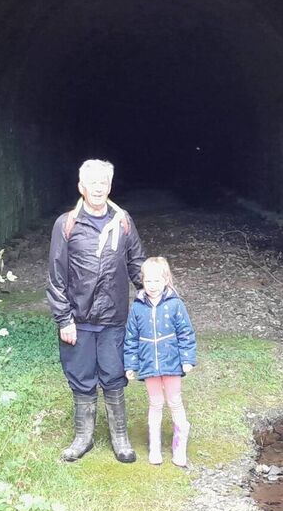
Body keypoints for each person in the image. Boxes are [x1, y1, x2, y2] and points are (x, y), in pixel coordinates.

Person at [47, 159, 145, 463]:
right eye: (93, 183)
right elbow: (56, 275)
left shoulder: (123, 221)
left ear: (110, 186)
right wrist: (64, 318)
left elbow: (136, 262)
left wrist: (152, 287)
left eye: (104, 182)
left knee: (114, 374)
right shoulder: (67, 224)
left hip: (114, 317)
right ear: (82, 188)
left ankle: (120, 438)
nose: (99, 187)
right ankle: (83, 437)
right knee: (81, 376)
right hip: (78, 318)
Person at [123, 256, 196, 467]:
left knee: (174, 401)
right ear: (142, 281)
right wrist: (130, 364)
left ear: (165, 280)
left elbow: (186, 333)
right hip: (148, 363)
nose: (152, 286)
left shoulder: (175, 305)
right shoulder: (137, 308)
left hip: (172, 362)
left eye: (156, 281)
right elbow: (130, 338)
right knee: (155, 403)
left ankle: (179, 443)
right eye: (148, 282)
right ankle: (155, 446)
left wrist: (187, 359)